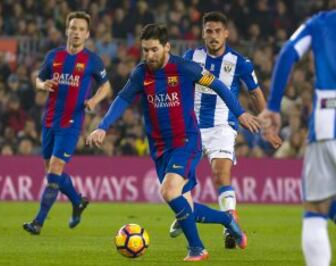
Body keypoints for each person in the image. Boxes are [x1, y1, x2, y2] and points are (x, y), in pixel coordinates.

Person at [87, 23, 260, 261]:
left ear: (167, 47)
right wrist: (102, 127)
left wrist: (239, 113)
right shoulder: (140, 73)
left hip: (186, 142)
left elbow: (219, 85)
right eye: (145, 50)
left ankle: (197, 248)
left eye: (154, 50)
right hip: (159, 149)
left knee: (168, 191)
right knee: (185, 206)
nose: (149, 55)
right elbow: (122, 99)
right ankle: (227, 219)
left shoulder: (186, 68)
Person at [169, 11, 281, 248]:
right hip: (193, 127)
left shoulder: (240, 62)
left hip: (223, 125)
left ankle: (231, 225)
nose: (213, 36)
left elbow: (255, 93)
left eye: (218, 31)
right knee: (180, 180)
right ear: (203, 33)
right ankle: (185, 212)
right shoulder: (192, 56)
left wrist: (267, 128)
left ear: (227, 33)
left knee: (220, 175)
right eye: (209, 31)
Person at [23, 11, 112, 235]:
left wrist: (94, 100)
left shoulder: (92, 60)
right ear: (67, 30)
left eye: (81, 29)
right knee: (51, 173)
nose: (76, 32)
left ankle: (38, 222)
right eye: (73, 28)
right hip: (49, 120)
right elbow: (38, 79)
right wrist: (43, 86)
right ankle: (77, 201)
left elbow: (106, 87)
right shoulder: (54, 56)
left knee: (54, 170)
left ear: (87, 34)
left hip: (71, 123)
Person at [259, 10, 336, 266]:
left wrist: (272, 105)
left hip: (328, 120)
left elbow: (288, 52)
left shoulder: (320, 23)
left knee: (316, 208)